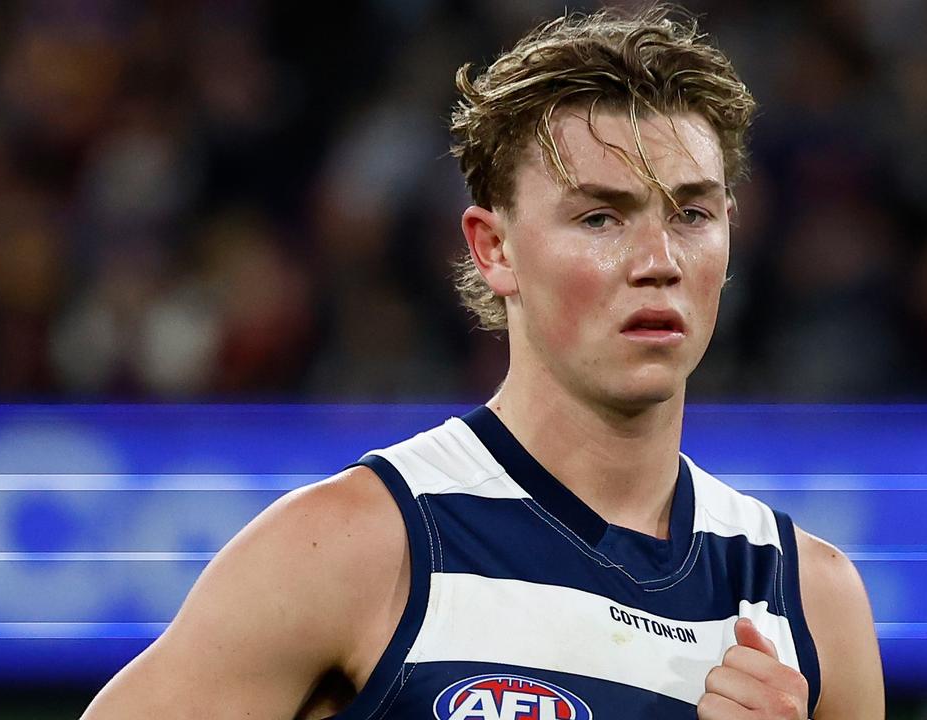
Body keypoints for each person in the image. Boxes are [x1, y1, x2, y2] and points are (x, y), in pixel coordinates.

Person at [83, 7, 884, 719]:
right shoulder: (352, 548)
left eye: (693, 213)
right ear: (494, 248)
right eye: (602, 216)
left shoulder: (813, 602)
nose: (659, 259)